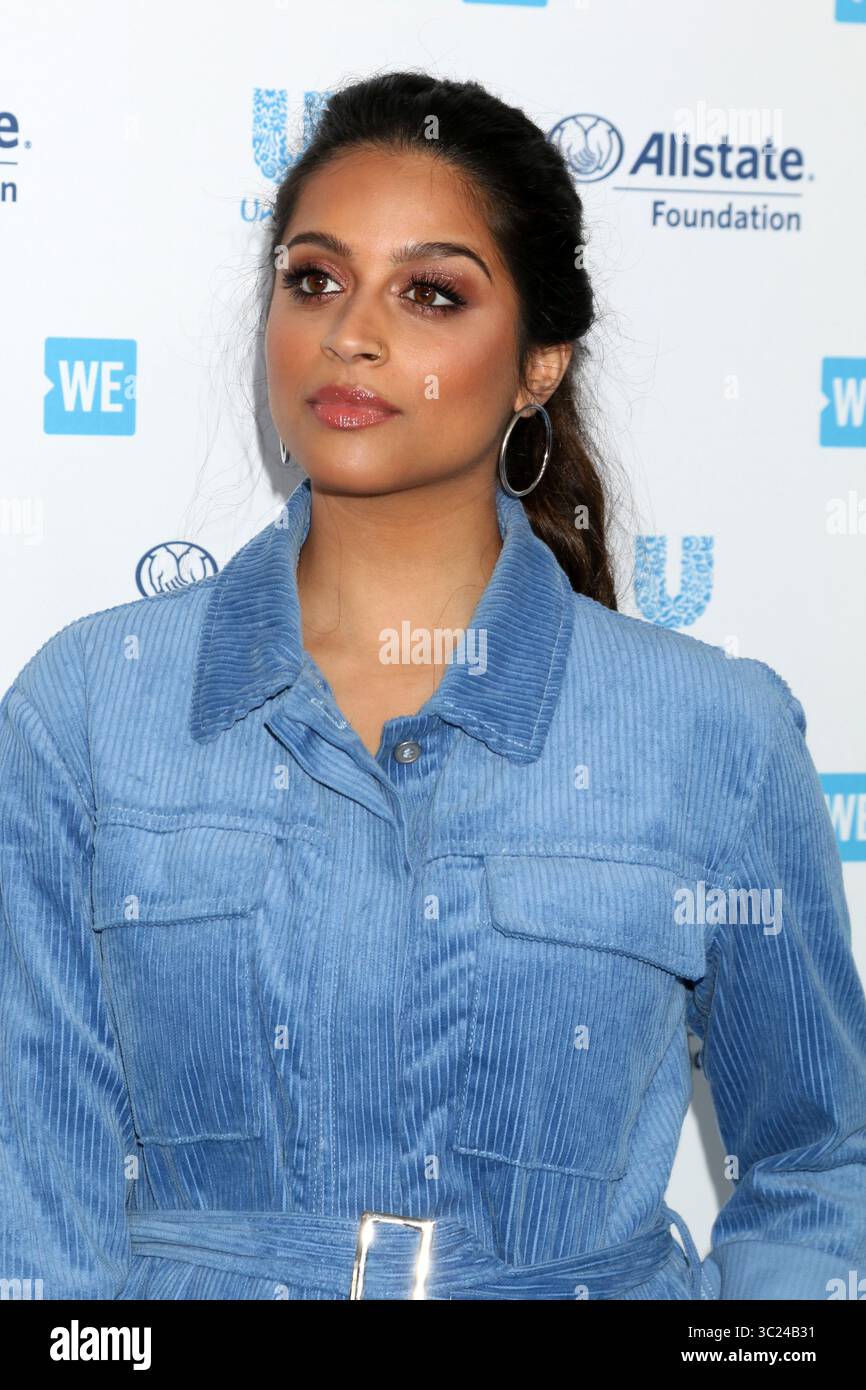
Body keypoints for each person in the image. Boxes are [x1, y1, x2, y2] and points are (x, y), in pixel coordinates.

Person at [1, 70, 865, 1302]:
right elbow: (33, 1196)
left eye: (430, 292)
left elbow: (822, 1158)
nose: (352, 331)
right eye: (313, 278)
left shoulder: (707, 731)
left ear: (537, 363)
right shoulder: (90, 710)